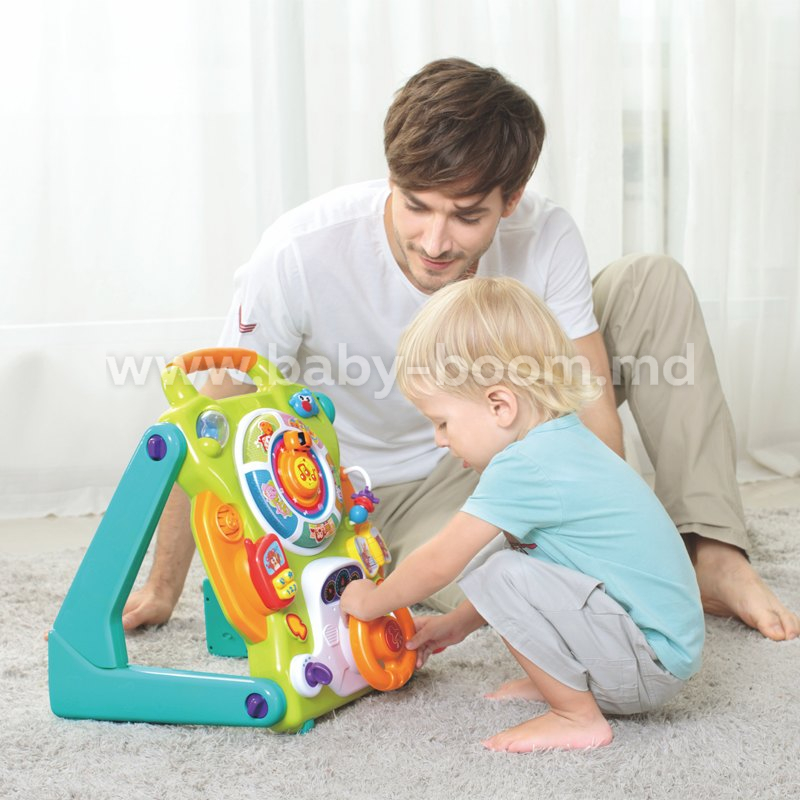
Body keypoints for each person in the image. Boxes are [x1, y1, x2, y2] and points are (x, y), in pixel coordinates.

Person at [122, 57, 799, 642]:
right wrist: (162, 587)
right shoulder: (299, 252)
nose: (435, 242)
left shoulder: (546, 234)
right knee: (521, 589)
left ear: (511, 199)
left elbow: (595, 419)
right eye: (415, 205)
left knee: (651, 281)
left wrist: (603, 531)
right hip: (382, 492)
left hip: (516, 445)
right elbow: (210, 418)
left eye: (467, 215)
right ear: (392, 178)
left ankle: (713, 551)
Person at [340, 275, 705, 752]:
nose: (439, 440)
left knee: (493, 570)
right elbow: (554, 571)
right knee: (501, 556)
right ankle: (573, 677)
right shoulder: (563, 442)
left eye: (442, 422)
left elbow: (440, 561)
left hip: (647, 663)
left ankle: (575, 714)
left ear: (500, 405)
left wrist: (372, 601)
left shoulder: (524, 466)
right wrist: (456, 625)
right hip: (655, 652)